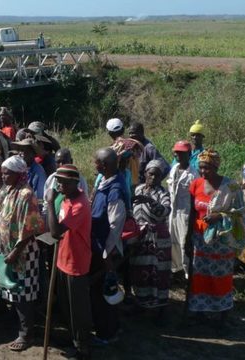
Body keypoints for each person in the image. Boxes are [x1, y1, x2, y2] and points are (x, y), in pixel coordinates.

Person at [187, 149, 245, 333]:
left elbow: (241, 214)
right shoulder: (196, 184)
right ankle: (200, 312)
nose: (203, 172)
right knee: (200, 276)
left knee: (220, 277)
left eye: (207, 168)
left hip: (221, 242)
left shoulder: (231, 187)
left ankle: (222, 315)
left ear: (216, 166)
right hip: (199, 239)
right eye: (201, 167)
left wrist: (220, 215)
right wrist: (188, 238)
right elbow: (191, 212)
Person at [0, 155, 44, 352]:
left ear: (19, 174)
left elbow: (31, 228)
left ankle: (26, 334)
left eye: (7, 173)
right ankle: (17, 324)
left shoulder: (26, 195)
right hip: (7, 250)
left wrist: (15, 251)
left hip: (23, 252)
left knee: (24, 292)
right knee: (11, 287)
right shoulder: (9, 190)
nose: (3, 176)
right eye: (3, 173)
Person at [46, 165, 93, 360]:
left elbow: (56, 231)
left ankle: (83, 348)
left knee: (78, 309)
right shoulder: (66, 199)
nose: (60, 185)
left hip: (76, 262)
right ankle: (72, 339)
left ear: (75, 183)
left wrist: (49, 203)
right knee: (66, 305)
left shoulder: (80, 205)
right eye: (59, 181)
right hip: (62, 258)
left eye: (65, 182)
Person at [89, 148, 125, 345]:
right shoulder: (105, 183)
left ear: (104, 165)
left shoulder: (115, 191)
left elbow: (115, 226)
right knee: (99, 292)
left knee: (104, 293)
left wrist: (106, 255)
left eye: (96, 162)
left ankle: (107, 334)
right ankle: (109, 328)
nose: (94, 165)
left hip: (105, 251)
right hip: (98, 246)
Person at [130, 160, 172, 317]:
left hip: (157, 240)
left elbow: (165, 211)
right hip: (139, 238)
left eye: (157, 175)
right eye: (151, 173)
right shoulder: (138, 189)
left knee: (158, 273)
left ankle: (160, 308)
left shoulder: (163, 193)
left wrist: (150, 201)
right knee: (140, 271)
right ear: (145, 174)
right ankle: (141, 303)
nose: (153, 177)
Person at [166, 140, 198, 278]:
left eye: (181, 153)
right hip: (173, 212)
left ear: (189, 154)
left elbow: (195, 198)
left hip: (185, 213)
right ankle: (175, 269)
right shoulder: (173, 169)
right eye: (176, 152)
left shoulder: (193, 175)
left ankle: (188, 273)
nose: (178, 155)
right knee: (172, 241)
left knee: (184, 242)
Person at [42, 148, 89, 217]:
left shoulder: (79, 180)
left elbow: (83, 202)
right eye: (58, 162)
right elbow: (46, 203)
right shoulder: (51, 179)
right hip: (52, 220)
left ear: (71, 161)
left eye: (64, 162)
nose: (61, 165)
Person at [106, 117, 144, 191]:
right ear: (123, 130)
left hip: (120, 185)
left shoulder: (112, 149)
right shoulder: (135, 144)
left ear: (109, 133)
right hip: (136, 184)